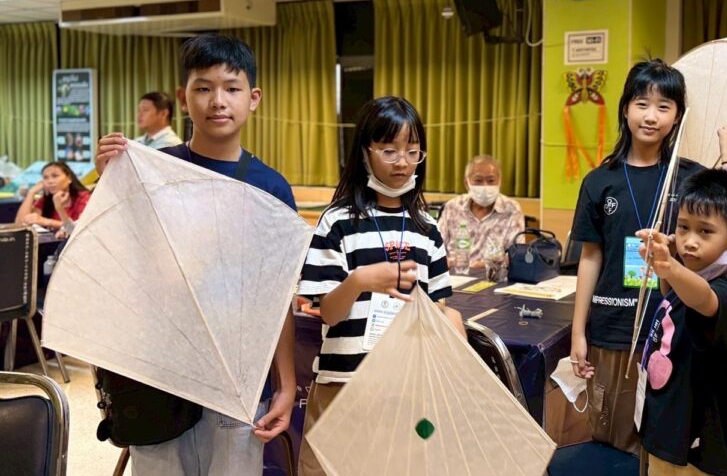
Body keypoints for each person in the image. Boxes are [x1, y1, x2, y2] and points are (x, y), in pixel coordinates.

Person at [95, 34, 296, 476]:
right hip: (156, 372)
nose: (217, 101)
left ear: (253, 98)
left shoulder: (270, 188)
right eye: (203, 88)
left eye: (231, 88)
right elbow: (114, 263)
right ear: (184, 98)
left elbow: (276, 296)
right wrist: (110, 184)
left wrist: (286, 383)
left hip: (235, 377)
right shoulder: (150, 172)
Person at [569, 59, 727, 455]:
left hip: (672, 328)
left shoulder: (691, 178)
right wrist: (579, 331)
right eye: (641, 104)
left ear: (678, 116)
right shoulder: (599, 180)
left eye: (664, 107)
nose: (651, 116)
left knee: (663, 435)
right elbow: (590, 257)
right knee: (611, 433)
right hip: (612, 325)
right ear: (625, 109)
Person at [295, 96, 465, 476]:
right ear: (365, 152)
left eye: (412, 151)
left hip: (403, 388)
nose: (402, 162)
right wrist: (360, 280)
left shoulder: (426, 228)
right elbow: (329, 313)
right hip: (343, 385)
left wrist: (447, 320)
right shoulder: (338, 222)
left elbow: (436, 307)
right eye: (389, 150)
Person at [636, 168, 727, 475]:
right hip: (666, 425)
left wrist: (669, 266)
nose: (689, 241)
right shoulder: (684, 277)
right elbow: (672, 294)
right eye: (683, 227)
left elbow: (703, 299)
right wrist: (669, 260)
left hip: (698, 441)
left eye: (705, 231)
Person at [437, 155, 525, 269]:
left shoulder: (511, 209)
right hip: (454, 273)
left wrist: (488, 265)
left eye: (491, 181)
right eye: (478, 181)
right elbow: (435, 248)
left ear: (500, 182)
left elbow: (516, 255)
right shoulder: (452, 207)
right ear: (467, 183)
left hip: (493, 275)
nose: (485, 186)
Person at [16, 161, 90, 232]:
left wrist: (48, 221)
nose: (50, 181)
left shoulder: (84, 197)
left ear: (69, 178)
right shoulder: (46, 199)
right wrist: (31, 193)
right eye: (45, 177)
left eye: (55, 176)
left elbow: (79, 230)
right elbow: (20, 225)